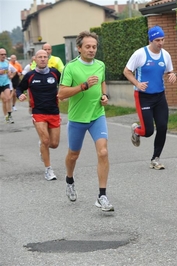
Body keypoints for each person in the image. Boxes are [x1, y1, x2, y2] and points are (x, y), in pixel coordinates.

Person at [57, 31, 114, 212]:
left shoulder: (100, 65)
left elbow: (102, 82)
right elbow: (61, 94)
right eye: (88, 47)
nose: (91, 50)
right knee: (73, 155)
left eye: (94, 47)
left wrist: (104, 96)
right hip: (77, 118)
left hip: (97, 115)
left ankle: (102, 196)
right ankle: (69, 179)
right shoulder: (71, 67)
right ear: (79, 48)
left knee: (103, 152)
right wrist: (83, 86)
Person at [123, 25, 177, 170]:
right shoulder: (140, 54)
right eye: (157, 40)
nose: (161, 43)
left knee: (162, 127)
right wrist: (137, 83)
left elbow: (169, 71)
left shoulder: (165, 55)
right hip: (143, 97)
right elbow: (127, 71)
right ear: (151, 40)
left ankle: (155, 159)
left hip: (160, 96)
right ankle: (136, 130)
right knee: (148, 131)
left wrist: (172, 75)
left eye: (162, 39)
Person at [16, 50, 61, 181]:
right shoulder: (30, 75)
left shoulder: (55, 73)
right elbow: (19, 88)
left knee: (54, 144)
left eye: (45, 57)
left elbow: (65, 84)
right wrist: (20, 95)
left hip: (54, 111)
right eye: (40, 57)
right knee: (46, 140)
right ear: (35, 59)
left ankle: (42, 148)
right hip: (38, 112)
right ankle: (48, 170)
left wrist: (63, 94)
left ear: (48, 59)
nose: (42, 59)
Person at [0, 48, 16, 123]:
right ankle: (5, 115)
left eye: (5, 54)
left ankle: (9, 116)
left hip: (6, 82)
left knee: (8, 98)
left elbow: (11, 71)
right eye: (2, 54)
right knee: (4, 100)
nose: (3, 56)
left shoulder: (7, 62)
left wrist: (11, 75)